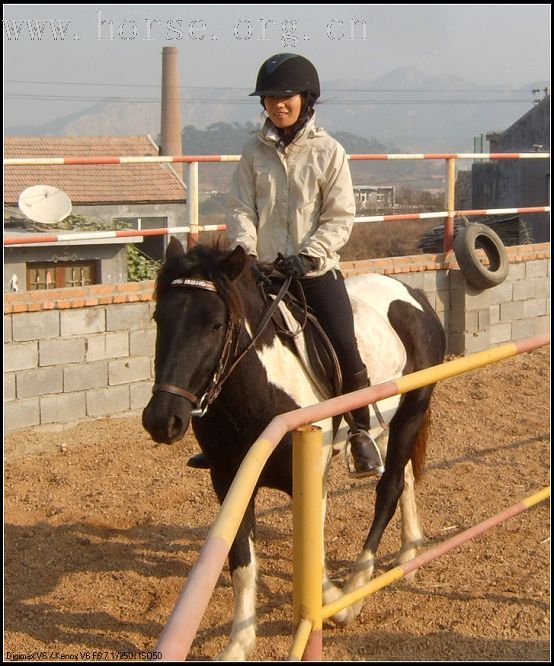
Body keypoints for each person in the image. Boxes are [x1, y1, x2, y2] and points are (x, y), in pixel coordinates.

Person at [225, 52, 384, 478]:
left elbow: (340, 215)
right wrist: (245, 252)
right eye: (270, 97)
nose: (277, 103)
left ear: (306, 98)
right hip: (262, 273)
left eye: (286, 95)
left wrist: (311, 254)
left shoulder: (329, 152)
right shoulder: (252, 151)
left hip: (313, 272)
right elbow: (241, 207)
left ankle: (360, 431)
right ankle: (228, 436)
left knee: (343, 346)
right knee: (229, 344)